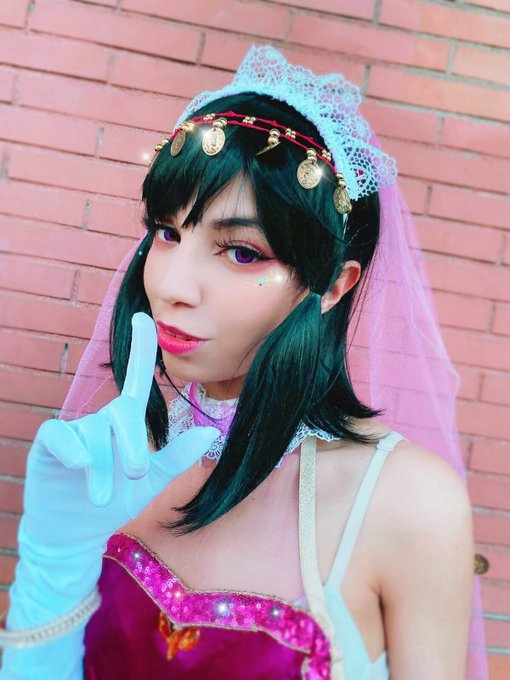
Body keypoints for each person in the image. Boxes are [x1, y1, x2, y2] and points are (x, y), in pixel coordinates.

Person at [0, 45, 487, 679]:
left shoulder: (406, 501)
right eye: (168, 233)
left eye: (241, 252)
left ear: (333, 284)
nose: (174, 285)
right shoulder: (120, 461)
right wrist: (53, 560)